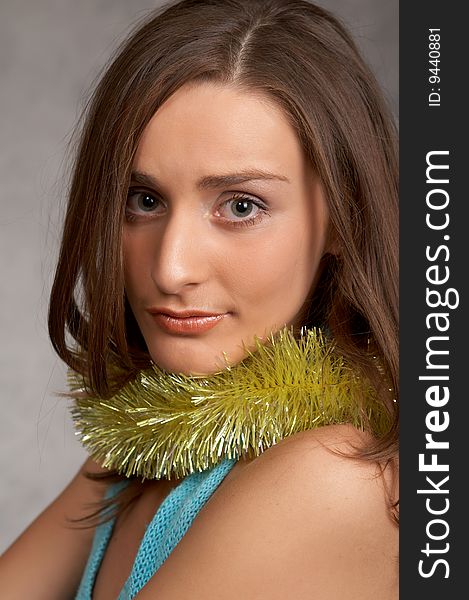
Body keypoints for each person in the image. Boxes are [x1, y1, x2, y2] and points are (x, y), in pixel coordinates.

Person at [0, 0, 399, 598]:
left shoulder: (332, 476)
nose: (171, 267)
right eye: (143, 199)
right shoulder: (144, 454)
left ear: (343, 218)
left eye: (241, 206)